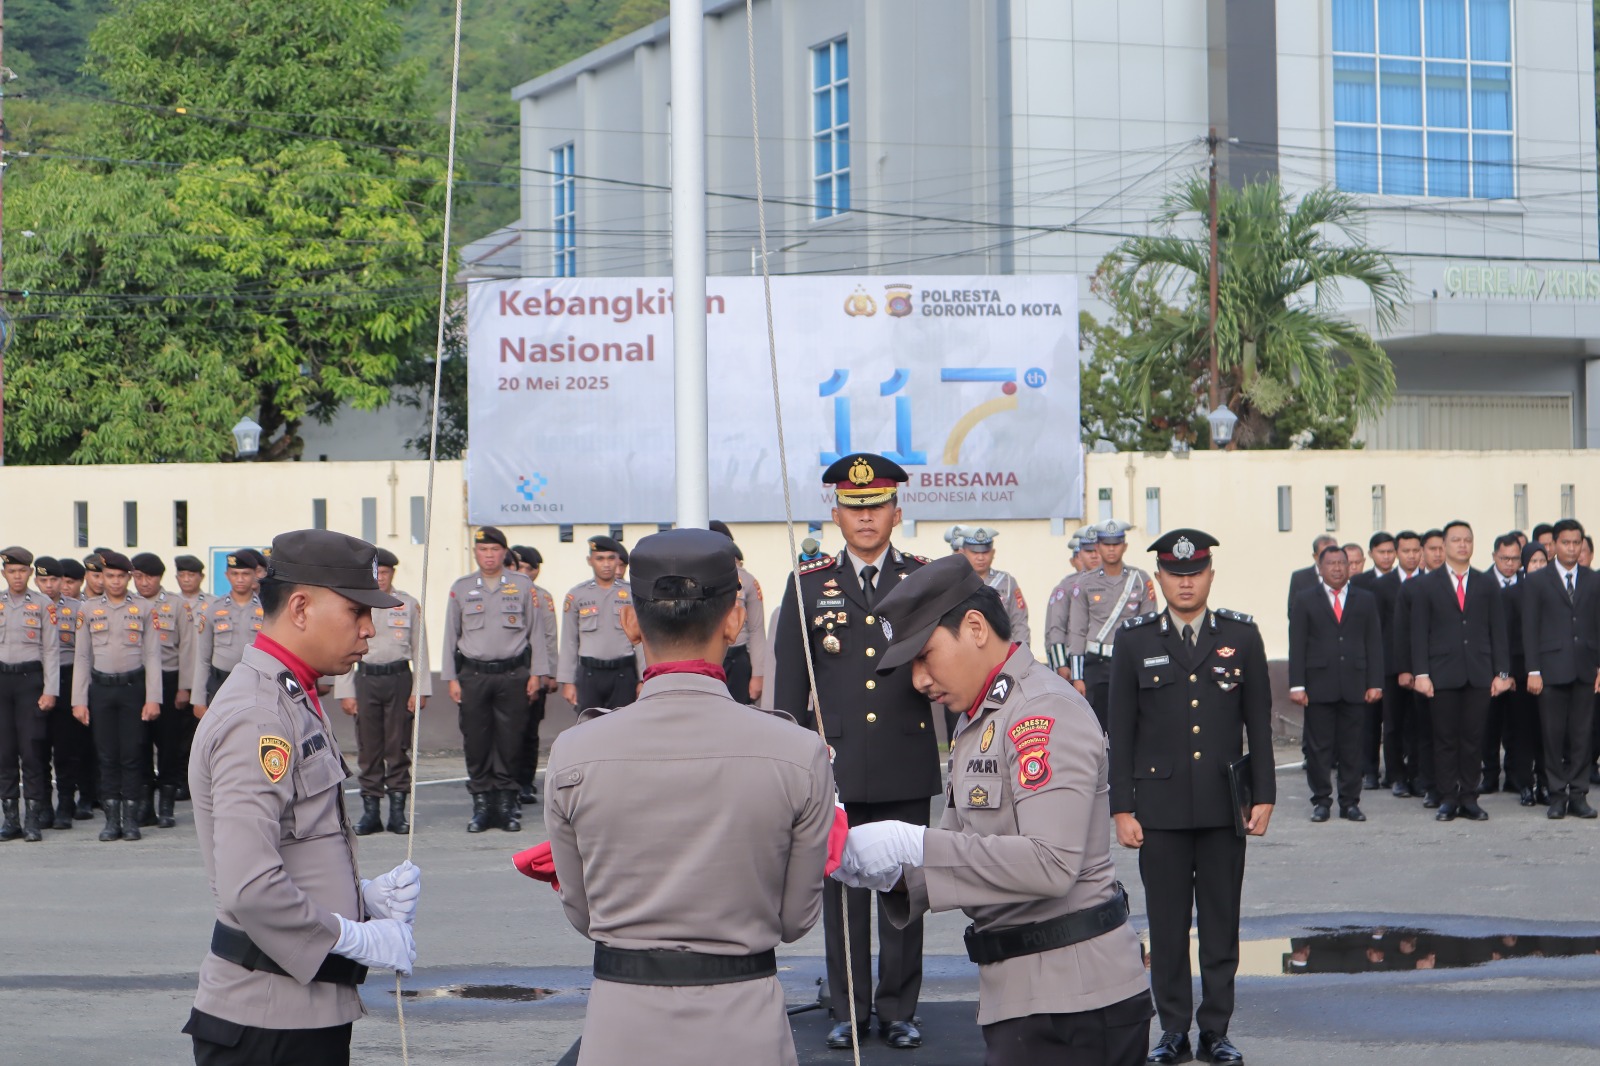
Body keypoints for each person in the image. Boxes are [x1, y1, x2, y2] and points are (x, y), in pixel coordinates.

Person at [832, 555, 1152, 1065]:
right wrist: (879, 871)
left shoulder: (1041, 711)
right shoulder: (978, 721)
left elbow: (1051, 864)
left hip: (1076, 1001)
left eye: (924, 656)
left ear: (975, 628)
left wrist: (911, 842)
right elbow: (967, 855)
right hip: (1022, 993)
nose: (918, 680)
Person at [537, 528, 835, 1066]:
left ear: (630, 622)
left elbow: (581, 914)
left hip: (621, 1029)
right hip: (746, 1028)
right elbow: (795, 921)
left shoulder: (574, 752)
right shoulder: (798, 752)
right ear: (734, 620)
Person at [183, 529, 420, 1066]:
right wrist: (354, 937)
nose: (369, 629)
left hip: (300, 1010)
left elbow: (293, 844)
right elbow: (251, 887)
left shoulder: (290, 695)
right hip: (268, 1022)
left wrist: (363, 898)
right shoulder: (259, 716)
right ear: (300, 607)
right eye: (358, 611)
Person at [772, 453, 937, 1051]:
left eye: (876, 507)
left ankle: (898, 1009)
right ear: (836, 513)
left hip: (904, 756)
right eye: (854, 507)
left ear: (897, 511)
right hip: (834, 764)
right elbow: (790, 683)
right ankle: (848, 1008)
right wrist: (792, 758)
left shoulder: (923, 579)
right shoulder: (808, 584)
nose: (865, 518)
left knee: (902, 891)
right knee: (841, 892)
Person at [1109, 529, 1275, 1066]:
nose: (1186, 582)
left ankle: (1216, 1031)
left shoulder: (1241, 637)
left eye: (1195, 573)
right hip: (1159, 810)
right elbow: (1122, 731)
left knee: (1222, 925)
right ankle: (1174, 1031)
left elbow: (1260, 726)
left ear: (1209, 575)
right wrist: (1121, 807)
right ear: (1159, 578)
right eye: (1176, 574)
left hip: (1226, 806)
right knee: (1168, 926)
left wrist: (1265, 795)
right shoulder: (1135, 641)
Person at [440, 526, 550, 833]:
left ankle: (506, 805)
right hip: (473, 675)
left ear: (504, 552)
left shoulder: (522, 585)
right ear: (475, 553)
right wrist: (451, 678)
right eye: (483, 550)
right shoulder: (461, 587)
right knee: (476, 741)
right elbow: (451, 634)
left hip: (513, 674)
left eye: (494, 550)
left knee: (510, 741)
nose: (489, 555)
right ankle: (482, 806)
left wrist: (537, 674)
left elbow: (536, 633)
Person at [1408, 521, 1511, 823]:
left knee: (1473, 738)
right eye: (1456, 540)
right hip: (1442, 673)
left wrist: (1502, 673)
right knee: (1445, 738)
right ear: (1444, 544)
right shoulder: (1427, 585)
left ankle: (1469, 796)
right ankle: (1447, 797)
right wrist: (1422, 673)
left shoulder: (1485, 582)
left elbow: (1498, 631)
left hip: (1479, 673)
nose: (1462, 545)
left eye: (1467, 539)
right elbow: (1419, 633)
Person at [334, 547, 430, 836]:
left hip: (399, 678)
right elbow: (344, 645)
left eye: (385, 573)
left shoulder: (407, 604)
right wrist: (345, 690)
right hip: (366, 680)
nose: (381, 579)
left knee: (398, 746)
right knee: (368, 747)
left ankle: (398, 813)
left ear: (392, 574)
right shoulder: (355, 605)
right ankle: (371, 812)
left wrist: (420, 689)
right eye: (376, 574)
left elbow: (419, 648)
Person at [71, 551, 162, 842]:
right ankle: (111, 821)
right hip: (101, 689)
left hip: (133, 689)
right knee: (107, 755)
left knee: (133, 754)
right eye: (109, 576)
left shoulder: (144, 608)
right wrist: (79, 700)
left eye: (121, 576)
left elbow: (153, 655)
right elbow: (82, 656)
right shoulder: (88, 609)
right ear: (101, 577)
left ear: (129, 578)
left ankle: (131, 820)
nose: (115, 581)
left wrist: (153, 697)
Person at [1288, 544, 1383, 822]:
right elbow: (1298, 644)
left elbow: (1374, 643)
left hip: (1355, 684)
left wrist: (1375, 681)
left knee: (1353, 746)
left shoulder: (1365, 599)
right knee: (1319, 748)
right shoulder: (1306, 599)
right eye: (1331, 564)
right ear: (1320, 568)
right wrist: (1297, 685)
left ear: (1350, 566)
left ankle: (1350, 802)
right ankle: (1321, 801)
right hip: (1319, 685)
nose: (1337, 569)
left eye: (1342, 563)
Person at [1522, 519, 1598, 819]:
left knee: (1582, 734)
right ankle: (1556, 794)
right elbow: (1530, 628)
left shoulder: (1594, 580)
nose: (1571, 548)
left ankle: (1578, 794)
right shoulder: (1538, 581)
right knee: (1552, 734)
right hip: (1550, 668)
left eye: (1576, 543)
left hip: (1584, 667)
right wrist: (1533, 670)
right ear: (1554, 545)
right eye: (1565, 542)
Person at [1066, 520, 1154, 731]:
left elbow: (1149, 629)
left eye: (1116, 543)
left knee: (1132, 722)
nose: (1112, 549)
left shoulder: (1140, 580)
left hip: (1131, 661)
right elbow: (1077, 631)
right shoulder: (1085, 583)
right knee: (1098, 726)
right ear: (1098, 547)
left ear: (1124, 546)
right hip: (1097, 664)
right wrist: (1077, 676)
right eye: (1106, 544)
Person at [0, 547, 61, 842]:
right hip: (2, 683)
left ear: (30, 573)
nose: (17, 576)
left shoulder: (42, 604)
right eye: (11, 571)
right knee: (4, 752)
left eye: (22, 571)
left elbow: (51, 650)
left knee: (32, 751)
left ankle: (33, 819)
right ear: (4, 574)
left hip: (29, 682)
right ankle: (10, 819)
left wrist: (50, 690)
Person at [131, 552, 196, 830]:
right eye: (139, 577)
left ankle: (166, 806)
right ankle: (145, 805)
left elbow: (188, 647)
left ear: (160, 578)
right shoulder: (129, 604)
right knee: (139, 744)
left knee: (168, 744)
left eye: (150, 577)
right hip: (135, 682)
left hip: (169, 680)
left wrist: (185, 687)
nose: (144, 582)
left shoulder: (176, 605)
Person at [557, 535, 645, 713]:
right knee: (587, 728)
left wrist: (644, 678)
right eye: (600, 559)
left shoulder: (631, 595)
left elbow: (641, 640)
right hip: (589, 674)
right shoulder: (577, 596)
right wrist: (567, 681)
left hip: (623, 673)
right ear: (590, 561)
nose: (606, 564)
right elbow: (569, 641)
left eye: (611, 558)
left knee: (622, 728)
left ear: (618, 561)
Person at [35, 557, 87, 829]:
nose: (49, 585)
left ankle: (66, 802)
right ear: (36, 581)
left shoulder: (78, 609)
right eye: (43, 580)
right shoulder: (29, 607)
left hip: (68, 680)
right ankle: (43, 805)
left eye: (54, 580)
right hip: (35, 682)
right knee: (38, 747)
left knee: (66, 748)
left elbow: (84, 654)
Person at [509, 546, 559, 805]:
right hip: (510, 669)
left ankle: (525, 782)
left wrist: (549, 673)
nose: (525, 572)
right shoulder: (510, 593)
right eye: (520, 567)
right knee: (509, 730)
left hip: (534, 670)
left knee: (529, 730)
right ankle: (509, 782)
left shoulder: (542, 597)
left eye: (531, 568)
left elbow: (549, 637)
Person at [1393, 532, 1439, 807]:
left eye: (1440, 548)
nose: (1437, 554)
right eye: (1431, 549)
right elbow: (1402, 632)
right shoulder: (1413, 587)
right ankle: (1424, 779)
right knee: (1422, 730)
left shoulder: (1465, 585)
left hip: (1454, 669)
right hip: (1422, 671)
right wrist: (1406, 668)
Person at [192, 551, 266, 718]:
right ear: (227, 575)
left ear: (255, 575)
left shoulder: (267, 611)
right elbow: (203, 659)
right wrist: (198, 699)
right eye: (235, 574)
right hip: (220, 683)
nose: (240, 579)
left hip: (256, 683)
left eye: (245, 574)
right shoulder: (213, 609)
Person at [1351, 532, 1397, 787]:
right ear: (1371, 554)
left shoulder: (1403, 581)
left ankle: (1393, 773)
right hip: (1367, 660)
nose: (1387, 556)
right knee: (1368, 720)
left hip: (1392, 661)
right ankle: (1369, 770)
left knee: (1393, 722)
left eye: (1391, 551)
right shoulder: (1359, 582)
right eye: (1382, 552)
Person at [1504, 542, 1548, 807]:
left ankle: (1545, 783)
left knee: (1547, 732)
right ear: (1524, 564)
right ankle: (1525, 784)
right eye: (1534, 562)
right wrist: (1505, 672)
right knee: (1522, 732)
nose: (1539, 567)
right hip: (1520, 673)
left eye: (1543, 562)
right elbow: (1505, 637)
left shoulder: (1554, 591)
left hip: (1549, 671)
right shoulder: (1511, 594)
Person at [1480, 534, 1524, 795]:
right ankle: (1489, 775)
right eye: (1504, 558)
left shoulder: (1529, 583)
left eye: (1515, 558)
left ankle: (1515, 776)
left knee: (1517, 724)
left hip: (1519, 664)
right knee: (1490, 725)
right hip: (1488, 666)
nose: (1510, 564)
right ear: (1494, 556)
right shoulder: (1482, 584)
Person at [709, 521, 769, 707]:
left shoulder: (747, 581)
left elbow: (757, 630)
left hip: (736, 661)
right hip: (705, 659)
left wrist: (758, 674)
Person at [56, 557, 97, 819]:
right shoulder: (49, 608)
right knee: (62, 744)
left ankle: (88, 795)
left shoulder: (85, 609)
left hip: (81, 676)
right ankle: (65, 798)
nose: (65, 587)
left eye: (70, 582)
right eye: (63, 581)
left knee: (85, 742)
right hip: (54, 677)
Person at [954, 526, 1031, 648]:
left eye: (985, 552)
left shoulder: (1007, 582)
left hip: (1002, 653)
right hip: (966, 653)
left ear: (993, 552)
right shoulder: (954, 582)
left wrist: (1022, 652)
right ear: (963, 552)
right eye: (975, 552)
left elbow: (1019, 622)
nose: (980, 557)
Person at [1044, 525, 1100, 680]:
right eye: (1086, 552)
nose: (1094, 556)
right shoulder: (1067, 587)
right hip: (1074, 656)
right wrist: (1061, 663)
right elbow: (1056, 628)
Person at [1286, 534, 1338, 618]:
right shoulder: (1300, 578)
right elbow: (1293, 611)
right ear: (1315, 556)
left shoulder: (1343, 575)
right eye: (1325, 554)